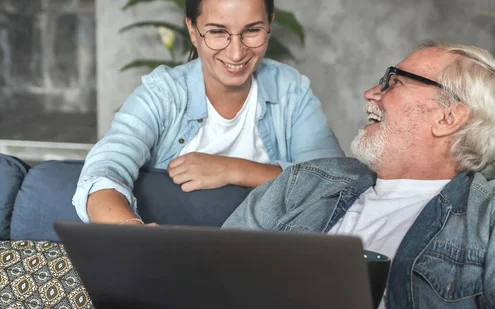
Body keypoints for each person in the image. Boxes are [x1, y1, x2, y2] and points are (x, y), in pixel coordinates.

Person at [222, 41, 495, 308]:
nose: (371, 93)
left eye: (393, 82)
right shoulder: (306, 181)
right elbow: (212, 271)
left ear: (449, 117)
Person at [72, 0, 343, 226]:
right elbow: (104, 171)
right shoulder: (163, 94)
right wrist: (132, 233)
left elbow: (336, 183)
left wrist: (236, 170)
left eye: (252, 30)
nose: (236, 52)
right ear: (192, 29)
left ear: (269, 25)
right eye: (217, 32)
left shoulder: (291, 91)